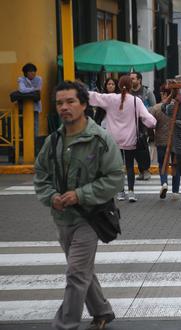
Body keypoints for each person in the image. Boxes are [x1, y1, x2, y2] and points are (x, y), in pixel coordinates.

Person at [33, 80, 124, 330]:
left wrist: (80, 195)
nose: (64, 107)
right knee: (82, 271)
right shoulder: (53, 141)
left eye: (71, 101)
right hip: (62, 219)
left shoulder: (101, 139)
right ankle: (102, 311)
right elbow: (40, 175)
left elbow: (115, 177)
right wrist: (51, 196)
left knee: (75, 273)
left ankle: (65, 325)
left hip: (91, 218)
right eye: (60, 103)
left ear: (84, 104)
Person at [88, 75, 157, 202]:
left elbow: (94, 97)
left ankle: (120, 192)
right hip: (130, 139)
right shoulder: (136, 101)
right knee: (129, 166)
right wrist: (155, 124)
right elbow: (149, 120)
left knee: (118, 167)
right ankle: (131, 192)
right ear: (131, 87)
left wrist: (77, 91)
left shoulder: (111, 99)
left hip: (113, 139)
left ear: (118, 86)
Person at [149, 84, 181, 200]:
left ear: (163, 94)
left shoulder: (156, 108)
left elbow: (149, 122)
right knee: (175, 165)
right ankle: (176, 191)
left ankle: (164, 183)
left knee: (162, 163)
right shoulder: (178, 106)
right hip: (176, 141)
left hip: (161, 141)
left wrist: (151, 135)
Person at [129, 71, 156, 180]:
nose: (131, 81)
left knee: (143, 147)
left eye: (133, 79)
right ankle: (141, 170)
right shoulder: (128, 92)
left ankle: (145, 170)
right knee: (134, 148)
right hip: (131, 124)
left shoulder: (147, 92)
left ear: (139, 80)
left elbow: (154, 107)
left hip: (144, 125)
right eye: (130, 79)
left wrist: (143, 112)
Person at [18, 63, 43, 148]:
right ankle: (24, 146)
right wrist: (33, 89)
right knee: (23, 126)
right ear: (25, 73)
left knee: (35, 126)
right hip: (23, 107)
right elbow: (22, 90)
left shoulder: (39, 79)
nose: (33, 74)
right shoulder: (21, 79)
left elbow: (38, 89)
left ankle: (35, 146)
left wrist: (29, 90)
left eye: (34, 72)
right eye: (30, 72)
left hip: (35, 107)